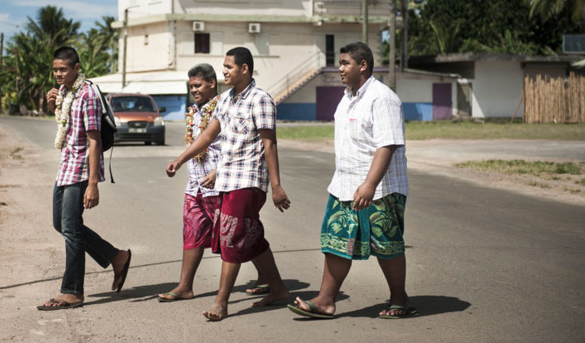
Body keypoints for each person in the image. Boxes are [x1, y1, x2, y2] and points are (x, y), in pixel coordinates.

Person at [288, 41, 416, 320]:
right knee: (335, 240)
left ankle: (399, 298)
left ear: (363, 65)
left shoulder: (382, 98)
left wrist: (369, 184)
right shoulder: (347, 97)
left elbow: (388, 144)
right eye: (340, 63)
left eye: (345, 63)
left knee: (386, 243)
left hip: (380, 187)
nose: (340, 68)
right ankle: (325, 301)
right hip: (344, 185)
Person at [166, 47, 291, 321]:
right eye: (223, 66)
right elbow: (209, 135)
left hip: (248, 180)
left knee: (231, 237)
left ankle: (221, 302)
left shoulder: (261, 100)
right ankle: (279, 289)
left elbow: (269, 143)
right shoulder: (225, 100)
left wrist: (276, 185)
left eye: (229, 67)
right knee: (250, 235)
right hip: (226, 181)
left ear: (244, 69)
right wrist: (181, 159)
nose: (224, 71)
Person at [159, 63, 265, 302]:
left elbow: (232, 143)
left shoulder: (224, 105)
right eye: (191, 87)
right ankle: (185, 286)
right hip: (195, 183)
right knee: (192, 231)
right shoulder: (194, 111)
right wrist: (180, 161)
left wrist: (219, 171)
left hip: (220, 183)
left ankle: (267, 276)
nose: (194, 90)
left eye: (198, 86)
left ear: (211, 84)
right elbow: (200, 142)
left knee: (238, 234)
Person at [38, 46, 131, 311]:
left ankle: (72, 291)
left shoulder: (87, 95)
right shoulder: (65, 92)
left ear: (76, 68)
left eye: (63, 69)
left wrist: (93, 184)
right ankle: (117, 256)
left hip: (80, 170)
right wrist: (51, 105)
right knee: (61, 224)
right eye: (55, 69)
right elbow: (65, 128)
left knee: (70, 227)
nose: (58, 74)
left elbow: (94, 141)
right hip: (65, 166)